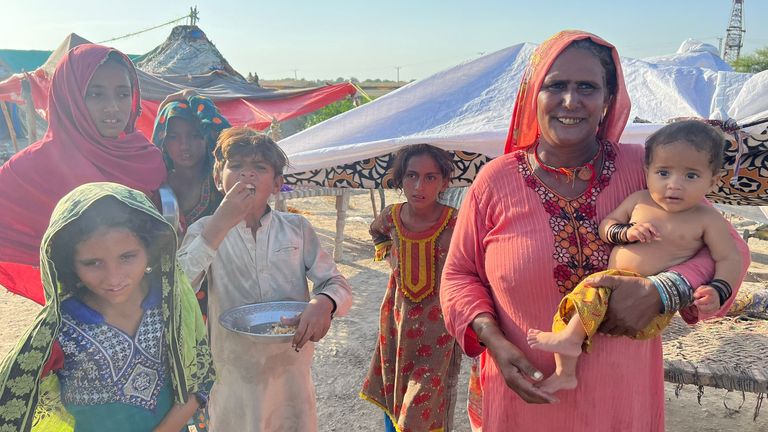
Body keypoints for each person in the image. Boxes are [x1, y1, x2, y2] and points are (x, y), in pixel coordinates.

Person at [439, 30, 750, 431]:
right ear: (534, 94)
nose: (571, 101)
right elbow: (459, 275)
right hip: (526, 394)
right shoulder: (495, 181)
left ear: (608, 99)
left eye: (587, 86)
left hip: (621, 399)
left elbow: (726, 248)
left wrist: (663, 289)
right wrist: (493, 342)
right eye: (556, 86)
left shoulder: (647, 167)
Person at [527, 120, 743, 393]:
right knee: (576, 305)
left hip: (649, 304)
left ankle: (570, 342)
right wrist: (626, 232)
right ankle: (565, 372)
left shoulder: (707, 218)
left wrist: (718, 289)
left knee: (588, 297)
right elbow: (607, 226)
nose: (674, 185)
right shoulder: (639, 200)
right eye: (663, 173)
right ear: (647, 171)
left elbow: (729, 258)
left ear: (712, 181)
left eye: (691, 176)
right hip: (610, 285)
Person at [177, 127, 353, 432]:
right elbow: (179, 287)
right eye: (237, 167)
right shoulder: (203, 231)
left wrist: (324, 303)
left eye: (259, 168)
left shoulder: (297, 229)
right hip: (235, 375)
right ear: (219, 179)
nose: (248, 175)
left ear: (277, 184)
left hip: (291, 372)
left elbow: (336, 283)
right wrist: (219, 224)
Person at [0, 182, 214, 431]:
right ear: (69, 264)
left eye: (127, 257)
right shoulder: (56, 331)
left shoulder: (173, 304)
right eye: (93, 263)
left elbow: (199, 380)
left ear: (152, 249)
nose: (113, 278)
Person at [0, 44, 166, 305]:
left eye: (122, 94)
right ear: (70, 97)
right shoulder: (32, 168)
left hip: (144, 310)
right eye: (96, 94)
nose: (113, 107)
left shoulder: (146, 157)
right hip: (75, 318)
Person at [360, 144, 462, 432]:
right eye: (411, 176)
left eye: (430, 177)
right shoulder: (391, 217)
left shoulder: (456, 222)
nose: (419, 186)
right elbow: (376, 230)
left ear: (444, 182)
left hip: (439, 332)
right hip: (395, 323)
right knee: (395, 388)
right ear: (400, 179)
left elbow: (473, 261)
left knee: (423, 401)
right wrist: (388, 253)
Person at [152, 94, 231, 233]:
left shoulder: (220, 182)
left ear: (207, 137)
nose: (184, 146)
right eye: (173, 137)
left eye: (195, 135)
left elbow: (228, 136)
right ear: (162, 140)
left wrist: (190, 95)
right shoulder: (155, 184)